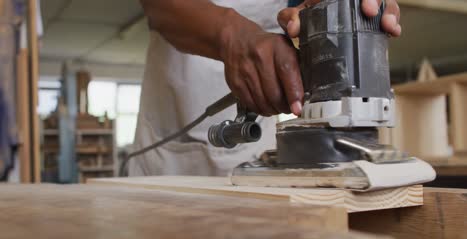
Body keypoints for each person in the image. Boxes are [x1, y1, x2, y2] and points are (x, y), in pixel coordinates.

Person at [130, 0, 401, 176]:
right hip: (174, 126)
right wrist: (231, 36)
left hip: (257, 134)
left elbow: (299, 10)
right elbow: (157, 6)